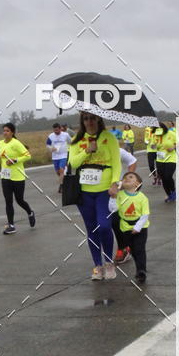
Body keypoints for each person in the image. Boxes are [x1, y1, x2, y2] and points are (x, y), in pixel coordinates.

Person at [68, 112, 121, 279]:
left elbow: (116, 162)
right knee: (91, 229)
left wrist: (114, 183)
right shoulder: (77, 139)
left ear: (98, 119)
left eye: (92, 118)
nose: (89, 121)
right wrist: (87, 151)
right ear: (82, 122)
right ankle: (97, 265)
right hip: (84, 193)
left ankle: (109, 263)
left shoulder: (108, 137)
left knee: (104, 226)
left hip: (104, 191)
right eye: (86, 119)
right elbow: (73, 163)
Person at [0, 123, 35, 235]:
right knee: (8, 201)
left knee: (19, 200)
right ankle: (11, 225)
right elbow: (3, 156)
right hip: (5, 176)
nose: (5, 133)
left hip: (18, 177)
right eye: (4, 130)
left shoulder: (16, 143)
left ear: (12, 132)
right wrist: (0, 158)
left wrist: (15, 160)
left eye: (7, 131)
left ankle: (30, 212)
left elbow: (28, 156)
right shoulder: (0, 143)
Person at [116, 171, 150, 283]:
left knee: (140, 249)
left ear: (138, 184)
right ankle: (139, 267)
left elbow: (145, 214)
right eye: (124, 177)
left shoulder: (142, 197)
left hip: (141, 228)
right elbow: (113, 208)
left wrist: (138, 227)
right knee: (134, 250)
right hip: (125, 228)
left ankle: (141, 271)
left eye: (131, 177)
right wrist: (113, 196)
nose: (126, 178)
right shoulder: (120, 195)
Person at [110, 147, 137, 264]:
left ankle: (123, 248)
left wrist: (126, 180)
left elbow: (132, 161)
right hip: (98, 191)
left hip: (116, 190)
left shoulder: (117, 151)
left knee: (115, 221)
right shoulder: (92, 151)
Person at [154, 124, 177, 201]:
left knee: (168, 176)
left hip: (171, 158)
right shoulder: (156, 135)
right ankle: (168, 194)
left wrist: (173, 147)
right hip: (160, 159)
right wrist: (153, 146)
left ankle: (173, 191)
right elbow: (154, 146)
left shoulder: (171, 133)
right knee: (163, 177)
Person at [46, 122, 71, 193]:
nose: (56, 132)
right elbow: (47, 145)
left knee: (61, 170)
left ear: (60, 129)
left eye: (57, 130)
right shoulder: (51, 136)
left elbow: (70, 142)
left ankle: (62, 186)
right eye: (54, 130)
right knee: (58, 172)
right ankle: (64, 182)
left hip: (63, 155)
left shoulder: (65, 135)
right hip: (55, 157)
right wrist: (51, 148)